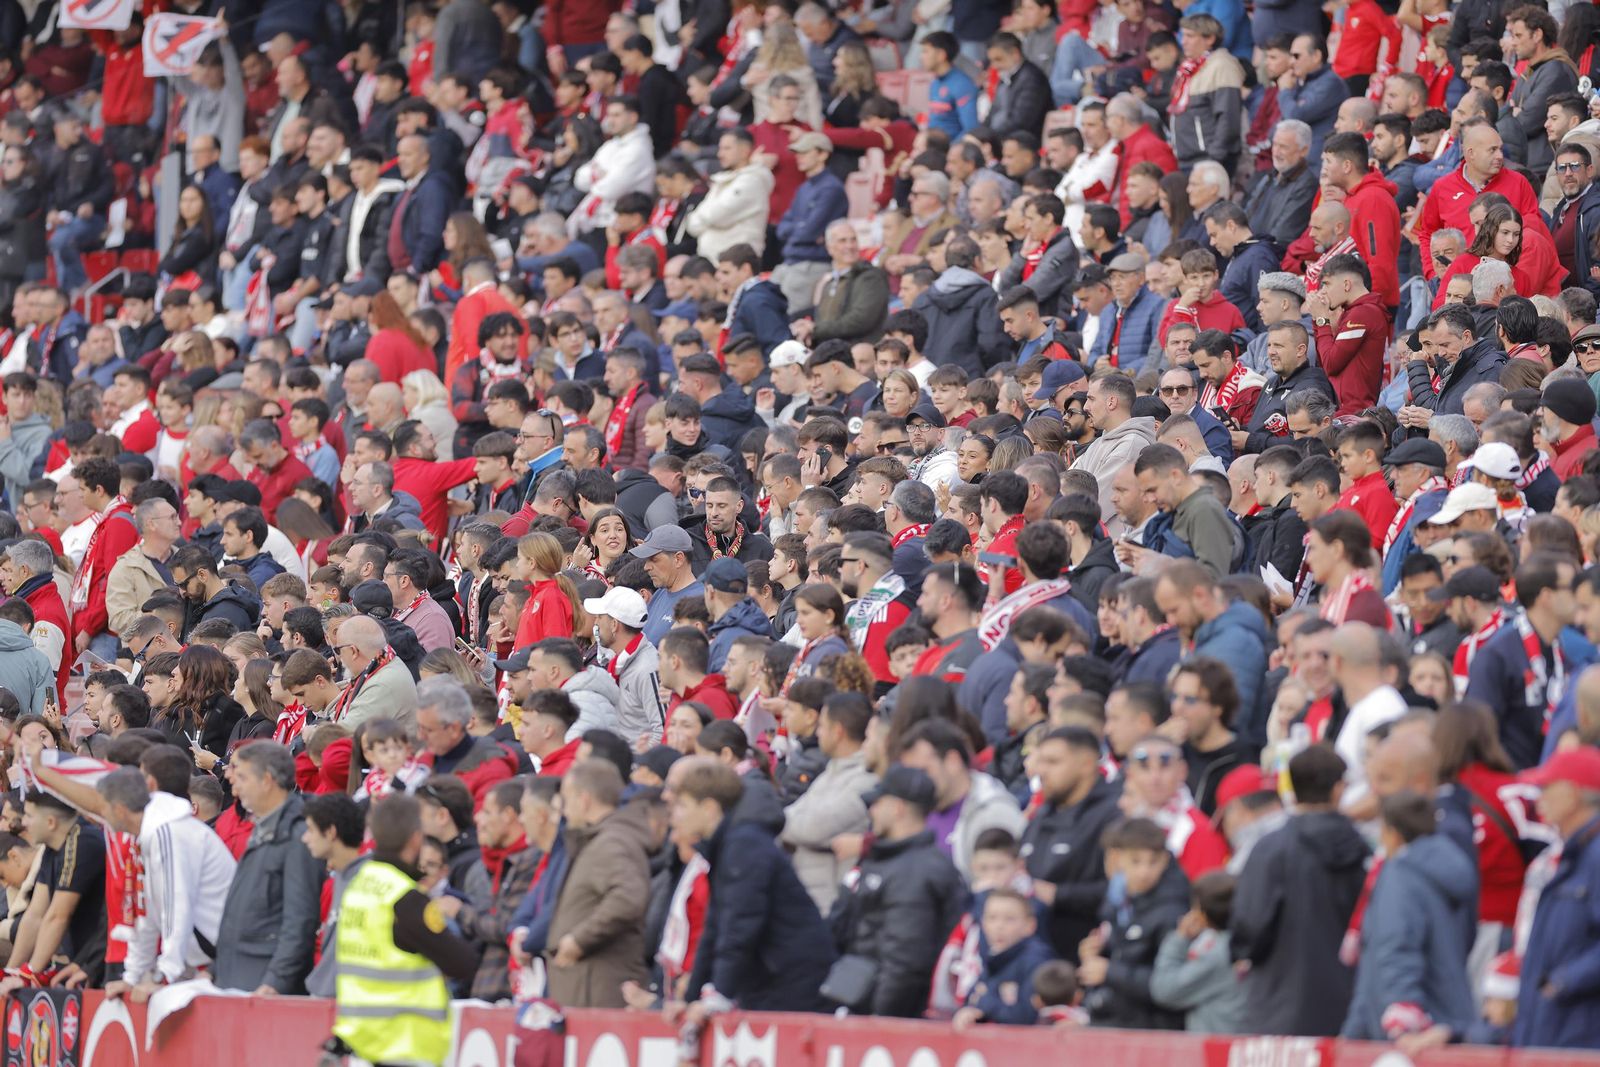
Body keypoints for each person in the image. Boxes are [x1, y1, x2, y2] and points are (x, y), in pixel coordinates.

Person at [329, 794, 480, 1067]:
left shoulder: (360, 885)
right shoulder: (405, 898)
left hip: (364, 1042)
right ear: (414, 839)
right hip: (405, 1044)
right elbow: (463, 962)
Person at [674, 758, 836, 1011]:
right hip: (770, 981)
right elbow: (714, 929)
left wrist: (720, 994)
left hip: (793, 984)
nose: (675, 816)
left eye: (682, 805)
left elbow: (741, 924)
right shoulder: (726, 846)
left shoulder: (744, 845)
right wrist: (689, 999)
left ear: (708, 808)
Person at [1231, 745, 1370, 1035]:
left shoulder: (1270, 849)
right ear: (1338, 789)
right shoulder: (1365, 849)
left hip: (1279, 1002)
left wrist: (1241, 953)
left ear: (1291, 790)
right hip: (1350, 1001)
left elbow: (1249, 927)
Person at [827, 765, 971, 1016]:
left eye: (877, 803)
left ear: (897, 808)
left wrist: (878, 1021)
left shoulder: (917, 870)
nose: (872, 811)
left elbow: (904, 964)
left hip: (894, 1021)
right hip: (865, 1004)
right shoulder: (887, 860)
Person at [1340, 791, 1477, 1043]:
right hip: (1448, 1017)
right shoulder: (1449, 868)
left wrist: (1403, 1016)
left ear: (1394, 833)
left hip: (1412, 1035)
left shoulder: (1400, 876)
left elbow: (1397, 947)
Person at [213, 742, 323, 994]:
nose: (233, 783)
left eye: (242, 776)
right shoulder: (264, 827)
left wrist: (276, 981)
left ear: (267, 780)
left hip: (262, 985)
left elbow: (300, 919)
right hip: (237, 976)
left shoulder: (297, 835)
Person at [545, 759, 654, 1008]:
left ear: (584, 799)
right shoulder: (602, 840)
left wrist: (578, 940)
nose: (564, 810)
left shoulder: (611, 842)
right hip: (587, 988)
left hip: (597, 992)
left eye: (567, 799)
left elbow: (628, 897)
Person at [1513, 747, 1600, 1048]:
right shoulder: (1573, 856)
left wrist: (1564, 982)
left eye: (1546, 788)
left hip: (1580, 1036)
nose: (1539, 798)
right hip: (1557, 1033)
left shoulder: (1595, 856)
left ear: (1573, 794)